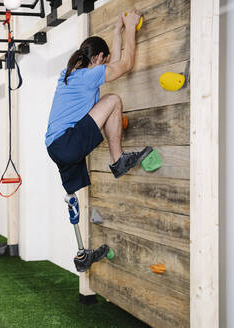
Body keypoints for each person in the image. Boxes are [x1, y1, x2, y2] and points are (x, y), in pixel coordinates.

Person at [45, 10, 151, 272]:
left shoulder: (70, 74)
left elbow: (111, 63)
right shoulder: (88, 76)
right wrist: (131, 28)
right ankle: (118, 161)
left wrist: (117, 32)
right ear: (97, 59)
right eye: (103, 60)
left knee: (72, 197)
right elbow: (124, 65)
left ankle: (82, 254)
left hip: (55, 146)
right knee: (113, 99)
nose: (106, 65)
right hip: (68, 142)